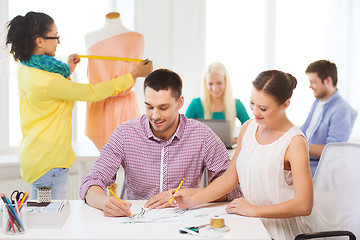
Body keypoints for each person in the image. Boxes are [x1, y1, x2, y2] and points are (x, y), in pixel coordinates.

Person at [6, 11, 153, 200]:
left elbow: (52, 93)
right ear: (39, 41)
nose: (58, 42)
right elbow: (92, 93)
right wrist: (132, 75)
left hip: (35, 157)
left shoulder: (25, 68)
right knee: (51, 217)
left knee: (42, 215)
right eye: (55, 37)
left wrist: (68, 70)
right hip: (49, 164)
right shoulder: (48, 81)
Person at [80, 69, 241, 217]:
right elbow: (91, 182)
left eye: (163, 107)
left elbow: (233, 189)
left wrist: (189, 195)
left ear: (179, 103)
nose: (155, 115)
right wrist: (104, 202)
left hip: (184, 224)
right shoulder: (125, 134)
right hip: (136, 221)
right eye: (149, 107)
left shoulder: (203, 136)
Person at [174, 70, 314, 240]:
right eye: (252, 104)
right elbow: (229, 178)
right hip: (251, 223)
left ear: (285, 105)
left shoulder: (294, 142)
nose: (255, 112)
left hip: (281, 232)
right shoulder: (248, 127)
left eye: (263, 108)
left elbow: (304, 205)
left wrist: (255, 210)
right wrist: (193, 200)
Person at [85, 12, 145, 151]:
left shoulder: (137, 38)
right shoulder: (89, 37)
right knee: (104, 161)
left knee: (127, 159)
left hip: (123, 105)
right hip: (98, 102)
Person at [301, 60, 356, 176]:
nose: (310, 86)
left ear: (328, 80)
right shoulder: (318, 102)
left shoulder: (342, 110)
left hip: (321, 173)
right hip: (306, 165)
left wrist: (300, 146)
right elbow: (305, 130)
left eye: (313, 82)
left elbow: (333, 151)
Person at [185, 62, 249, 144]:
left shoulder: (237, 104)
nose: (215, 88)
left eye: (219, 83)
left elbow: (251, 129)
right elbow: (183, 132)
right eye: (210, 84)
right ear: (205, 84)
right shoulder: (195, 104)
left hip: (227, 151)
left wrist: (237, 139)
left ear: (226, 82)